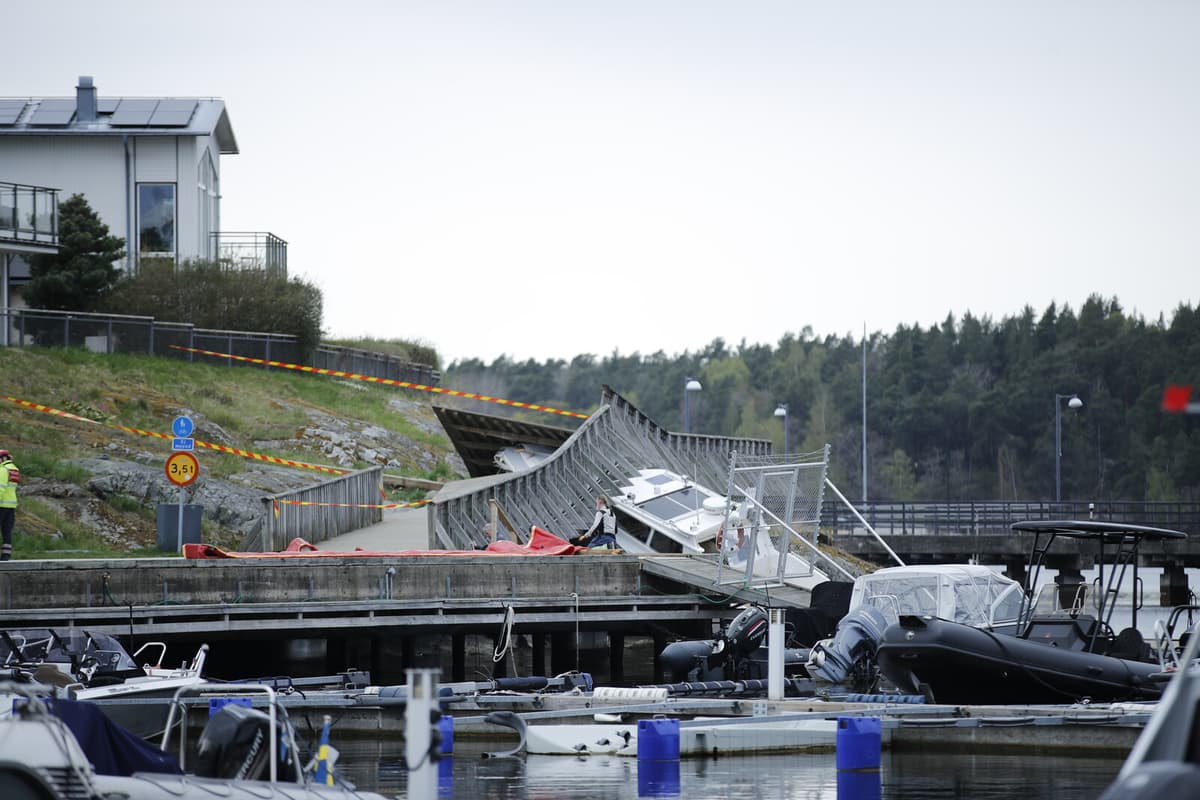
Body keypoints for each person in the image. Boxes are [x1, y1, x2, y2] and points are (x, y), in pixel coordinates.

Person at [0, 449, 19, 561]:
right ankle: (6, 555)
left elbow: (0, 489)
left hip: (1, 505)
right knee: (7, 531)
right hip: (11, 505)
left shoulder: (3, 470)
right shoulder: (14, 469)